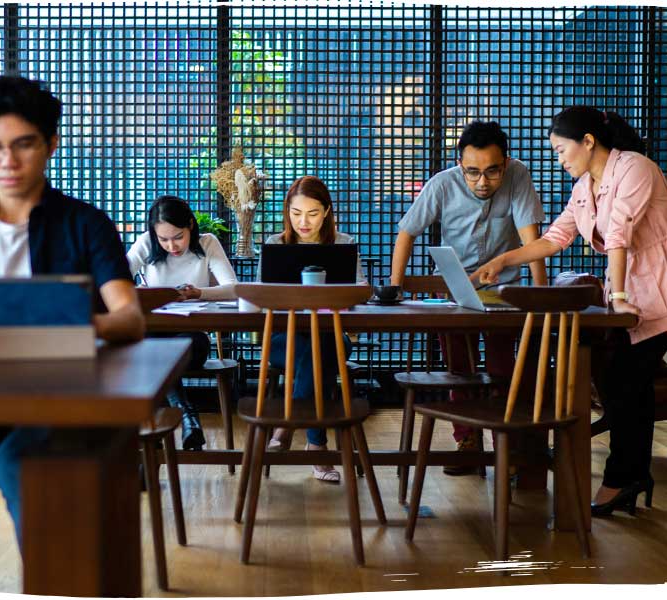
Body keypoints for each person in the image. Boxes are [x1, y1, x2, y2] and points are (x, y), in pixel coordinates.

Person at [0, 75, 145, 558]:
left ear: (51, 144)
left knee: (22, 463)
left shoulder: (85, 224)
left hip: (63, 401)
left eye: (23, 145)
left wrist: (68, 330)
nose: (7, 162)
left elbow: (129, 318)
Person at [473, 106, 667, 516]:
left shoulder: (635, 168)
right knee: (625, 385)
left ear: (589, 142)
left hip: (657, 292)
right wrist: (504, 261)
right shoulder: (584, 186)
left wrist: (615, 298)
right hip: (628, 298)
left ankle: (621, 478)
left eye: (562, 150)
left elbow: (618, 232)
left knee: (626, 383)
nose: (559, 160)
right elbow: (555, 237)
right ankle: (631, 476)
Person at [389, 120, 548, 474]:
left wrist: (541, 296)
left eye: (492, 171)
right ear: (460, 164)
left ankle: (504, 442)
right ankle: (467, 440)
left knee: (502, 368)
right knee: (459, 368)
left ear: (505, 163)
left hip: (503, 292)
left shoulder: (519, 176)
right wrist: (395, 288)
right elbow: (406, 232)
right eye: (472, 171)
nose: (482, 181)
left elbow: (531, 241)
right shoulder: (443, 184)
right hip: (455, 291)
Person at [258, 175, 366, 482]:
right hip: (282, 340)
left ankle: (287, 424)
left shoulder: (342, 245)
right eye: (296, 213)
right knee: (314, 351)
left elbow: (359, 290)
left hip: (333, 336)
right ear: (287, 212)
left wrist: (356, 291)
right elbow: (262, 294)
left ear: (328, 212)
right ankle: (317, 445)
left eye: (313, 213)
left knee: (320, 346)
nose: (303, 222)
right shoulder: (275, 245)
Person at [127, 195, 238, 449]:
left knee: (155, 357)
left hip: (192, 339)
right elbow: (119, 276)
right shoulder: (147, 243)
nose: (171, 246)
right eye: (163, 239)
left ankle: (157, 441)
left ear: (190, 225)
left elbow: (234, 288)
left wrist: (200, 293)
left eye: (178, 236)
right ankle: (188, 416)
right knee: (151, 350)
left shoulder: (207, 243)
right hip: (155, 337)